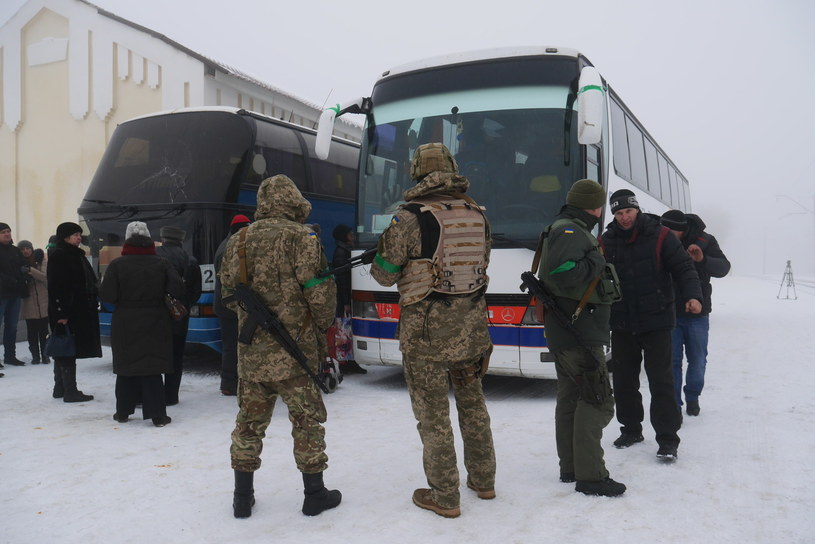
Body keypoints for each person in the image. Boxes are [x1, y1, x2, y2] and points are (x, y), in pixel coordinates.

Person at [370, 143, 496, 518]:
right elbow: (481, 264)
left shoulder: (408, 217)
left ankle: (444, 495)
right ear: (452, 168)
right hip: (472, 329)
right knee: (473, 406)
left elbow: (383, 273)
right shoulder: (476, 212)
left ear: (416, 172)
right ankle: (484, 480)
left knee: (433, 414)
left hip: (426, 335)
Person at [221, 174, 341, 519]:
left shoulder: (239, 239)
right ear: (293, 200)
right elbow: (319, 294)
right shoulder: (302, 237)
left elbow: (229, 295)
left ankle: (242, 498)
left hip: (252, 354)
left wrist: (253, 322)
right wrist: (319, 325)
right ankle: (314, 494)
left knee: (248, 423)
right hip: (296, 353)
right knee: (307, 422)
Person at [599, 190, 702, 461]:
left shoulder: (661, 235)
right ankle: (631, 429)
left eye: (628, 212)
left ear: (637, 210)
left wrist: (693, 295)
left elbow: (683, 268)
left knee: (661, 381)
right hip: (622, 322)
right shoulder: (606, 241)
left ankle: (668, 439)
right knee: (624, 381)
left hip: (656, 320)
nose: (624, 218)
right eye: (618, 214)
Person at [537, 179, 625, 497]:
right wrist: (596, 261)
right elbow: (561, 273)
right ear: (594, 205)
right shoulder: (570, 230)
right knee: (597, 399)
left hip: (571, 331)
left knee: (572, 399)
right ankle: (591, 476)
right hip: (579, 333)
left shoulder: (566, 227)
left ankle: (571, 467)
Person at [100, 221, 183, 427]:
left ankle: (123, 412)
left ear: (127, 240)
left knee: (126, 366)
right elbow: (179, 290)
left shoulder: (117, 265)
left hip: (125, 320)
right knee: (152, 366)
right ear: (149, 240)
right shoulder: (162, 263)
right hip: (156, 319)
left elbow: (107, 295)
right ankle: (157, 415)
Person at [661, 210, 731, 416]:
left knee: (698, 360)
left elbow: (724, 268)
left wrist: (703, 260)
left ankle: (692, 396)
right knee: (672, 362)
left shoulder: (706, 241)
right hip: (669, 312)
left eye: (672, 230)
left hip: (698, 314)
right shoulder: (659, 240)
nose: (667, 233)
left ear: (682, 230)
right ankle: (675, 405)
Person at [47, 222, 101, 402]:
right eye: (75, 235)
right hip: (67, 311)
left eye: (79, 234)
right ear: (65, 237)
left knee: (65, 345)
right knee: (66, 346)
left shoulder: (75, 255)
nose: (79, 237)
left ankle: (60, 387)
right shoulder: (61, 256)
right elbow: (56, 287)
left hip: (76, 309)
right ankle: (70, 390)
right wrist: (61, 314)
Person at [155, 226, 202, 406]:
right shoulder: (190, 260)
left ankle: (154, 393)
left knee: (156, 354)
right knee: (176, 355)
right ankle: (171, 396)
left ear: (163, 238)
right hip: (179, 315)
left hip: (156, 314)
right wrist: (184, 305)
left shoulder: (154, 256)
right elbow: (196, 291)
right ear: (181, 240)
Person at [214, 214, 251, 396]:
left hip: (228, 304)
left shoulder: (227, 244)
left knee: (234, 344)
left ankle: (233, 382)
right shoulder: (230, 247)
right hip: (229, 305)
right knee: (232, 346)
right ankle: (229, 384)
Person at [329, 224, 366, 375]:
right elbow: (342, 279)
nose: (352, 235)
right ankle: (346, 362)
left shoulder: (346, 250)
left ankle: (350, 361)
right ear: (343, 236)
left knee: (347, 328)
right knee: (344, 328)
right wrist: (345, 302)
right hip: (344, 297)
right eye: (350, 234)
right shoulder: (341, 252)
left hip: (346, 295)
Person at [0, 222, 29, 367]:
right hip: (1, 294)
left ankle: (10, 356)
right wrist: (12, 280)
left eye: (8, 231)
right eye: (4, 232)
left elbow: (23, 266)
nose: (7, 234)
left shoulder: (15, 250)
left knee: (12, 326)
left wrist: (24, 271)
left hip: (14, 294)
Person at [19, 241, 50, 365]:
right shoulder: (18, 263)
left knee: (44, 332)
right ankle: (35, 356)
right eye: (22, 249)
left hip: (43, 302)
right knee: (32, 333)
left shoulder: (41, 260)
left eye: (27, 248)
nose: (25, 251)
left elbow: (45, 277)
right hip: (28, 303)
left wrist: (30, 270)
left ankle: (45, 355)